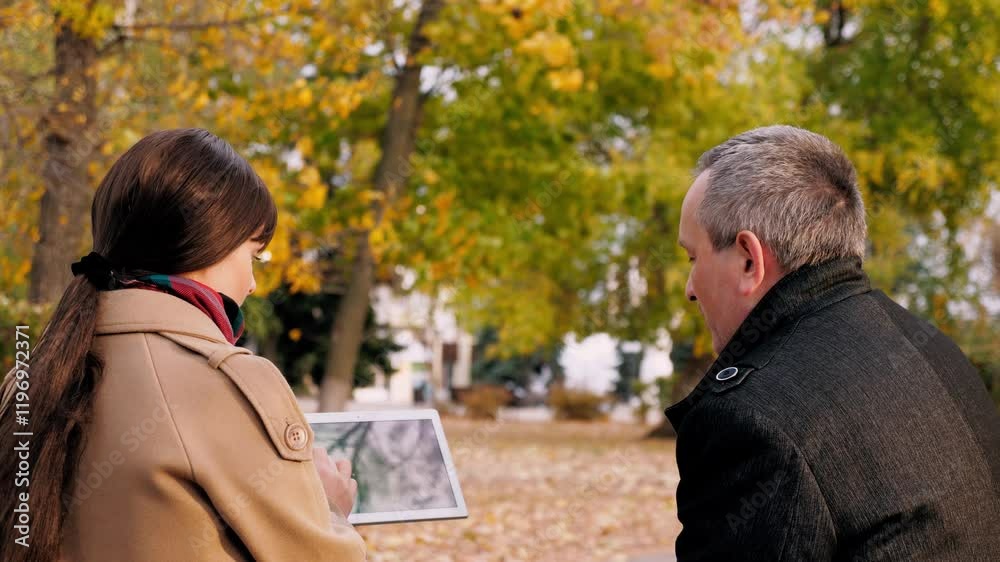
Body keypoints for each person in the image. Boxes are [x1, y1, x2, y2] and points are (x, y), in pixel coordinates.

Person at [0, 129, 367, 561]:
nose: (251, 284)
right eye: (254, 256)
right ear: (208, 245)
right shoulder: (225, 383)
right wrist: (331, 511)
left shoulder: (30, 379)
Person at [668, 125, 1000, 560]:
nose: (690, 289)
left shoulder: (752, 421)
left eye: (694, 258)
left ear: (749, 260)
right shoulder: (936, 352)